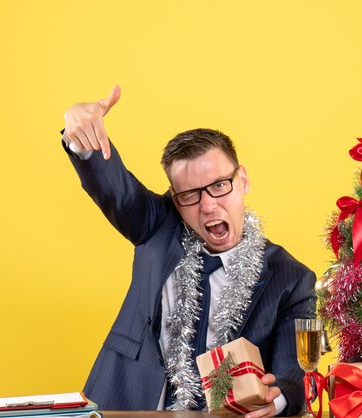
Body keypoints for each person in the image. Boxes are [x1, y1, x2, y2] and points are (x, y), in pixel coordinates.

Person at [61, 86, 316, 417]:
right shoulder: (158, 227)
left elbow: (291, 377)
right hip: (126, 406)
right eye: (190, 195)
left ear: (243, 181)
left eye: (219, 186)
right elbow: (118, 191)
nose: (208, 205)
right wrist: (81, 137)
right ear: (174, 198)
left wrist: (276, 399)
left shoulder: (291, 279)